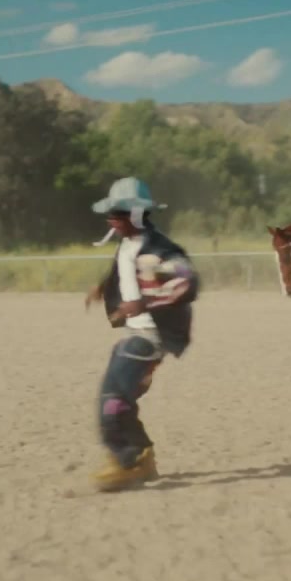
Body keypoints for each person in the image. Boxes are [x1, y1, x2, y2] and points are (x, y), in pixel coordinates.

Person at [83, 177, 200, 492]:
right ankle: (143, 456)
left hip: (151, 336)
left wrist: (142, 303)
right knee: (122, 398)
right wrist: (102, 288)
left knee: (112, 399)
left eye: (118, 212)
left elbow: (187, 281)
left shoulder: (159, 249)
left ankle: (127, 462)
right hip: (136, 333)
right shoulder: (128, 244)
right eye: (111, 212)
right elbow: (122, 271)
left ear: (136, 214)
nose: (111, 218)